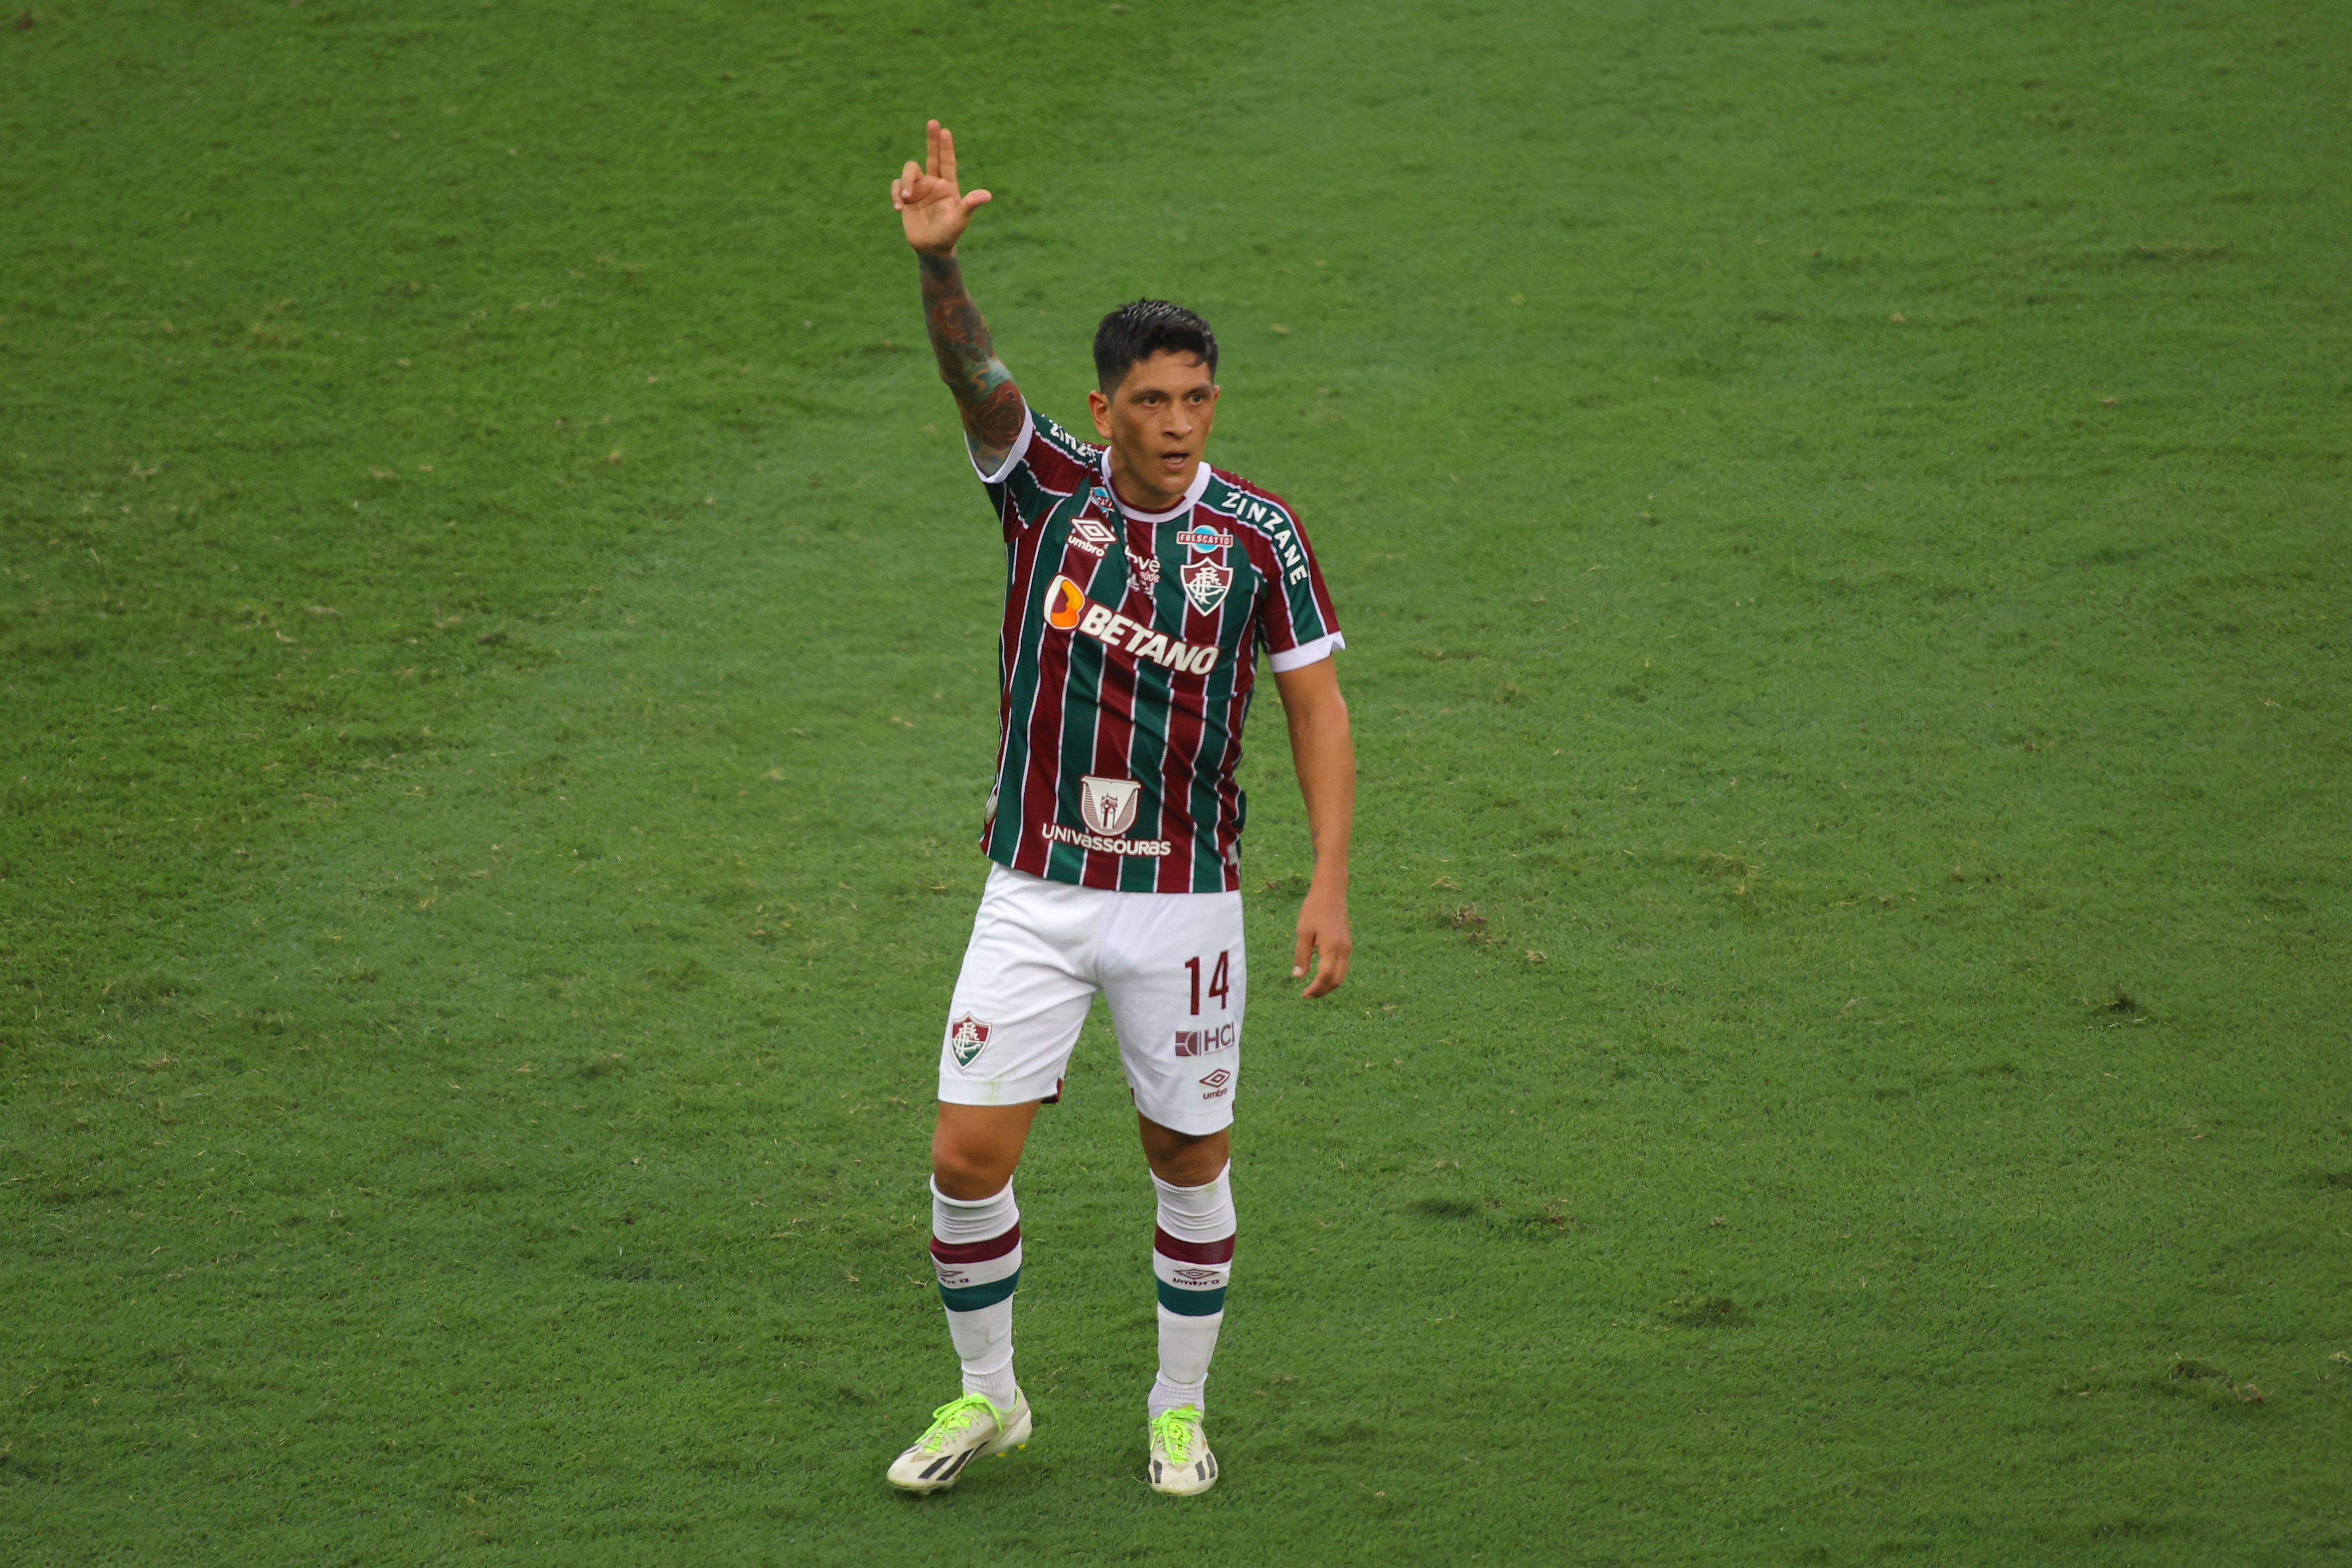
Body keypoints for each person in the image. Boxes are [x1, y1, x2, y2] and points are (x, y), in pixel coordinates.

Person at [882, 121, 1355, 1498]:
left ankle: (1175, 1409)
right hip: (1032, 887)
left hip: (1185, 899)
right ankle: (990, 1400)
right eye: (1149, 400)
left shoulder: (1258, 539)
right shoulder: (1042, 496)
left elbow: (1317, 708)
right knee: (964, 1157)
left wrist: (1326, 881)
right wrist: (940, 266)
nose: (1175, 423)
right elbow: (975, 382)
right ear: (1102, 409)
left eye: (1195, 398)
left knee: (1183, 1152)